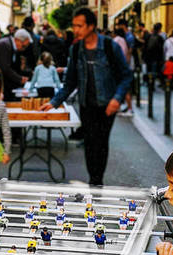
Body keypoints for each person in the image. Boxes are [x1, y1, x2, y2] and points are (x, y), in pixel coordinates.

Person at [41, 7, 132, 186]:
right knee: (90, 144)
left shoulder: (108, 46)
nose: (75, 30)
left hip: (107, 105)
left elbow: (126, 75)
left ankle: (97, 180)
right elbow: (70, 83)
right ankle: (94, 181)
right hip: (86, 105)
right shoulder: (75, 50)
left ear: (91, 26)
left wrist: (117, 99)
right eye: (74, 26)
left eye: (79, 26)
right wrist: (54, 102)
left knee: (101, 142)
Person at [0, 28, 32, 101]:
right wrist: (19, 78)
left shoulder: (9, 45)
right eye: (23, 46)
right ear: (17, 40)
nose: (23, 49)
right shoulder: (5, 45)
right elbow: (5, 68)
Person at [112, 28, 133, 116]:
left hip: (118, 67)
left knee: (122, 89)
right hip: (123, 66)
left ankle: (129, 108)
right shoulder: (123, 40)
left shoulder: (116, 40)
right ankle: (126, 107)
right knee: (123, 88)